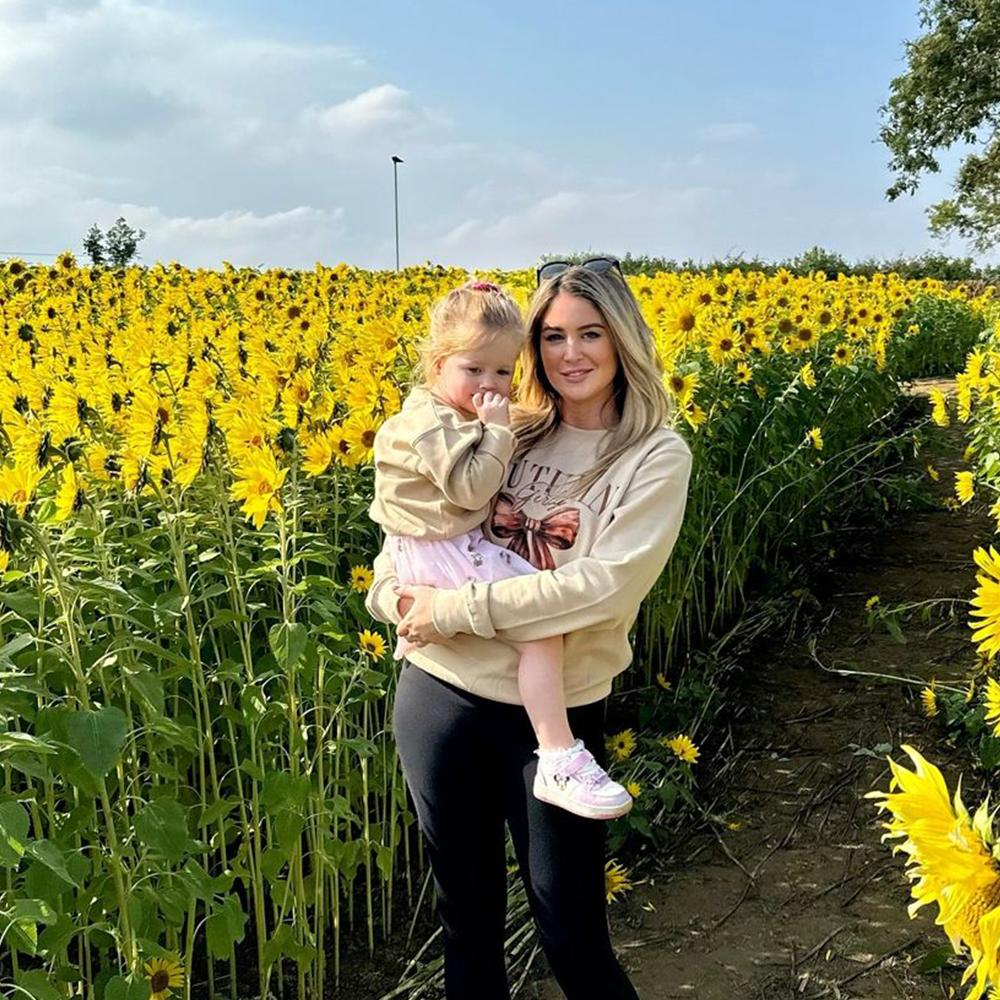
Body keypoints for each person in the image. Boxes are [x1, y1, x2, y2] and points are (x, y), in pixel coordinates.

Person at [366, 257, 693, 1000]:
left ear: (625, 341)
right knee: (467, 924)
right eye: (552, 336)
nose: (570, 354)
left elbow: (602, 589)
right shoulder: (504, 425)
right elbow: (411, 529)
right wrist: (390, 599)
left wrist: (449, 611)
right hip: (441, 693)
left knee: (571, 931)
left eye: (590, 333)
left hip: (554, 722)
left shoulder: (653, 455)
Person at [368, 278, 632, 820]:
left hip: (448, 567)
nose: (491, 385)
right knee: (541, 625)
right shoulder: (450, 425)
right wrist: (498, 432)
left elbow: (607, 586)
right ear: (439, 361)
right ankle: (559, 751)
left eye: (504, 372)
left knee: (544, 622)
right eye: (474, 370)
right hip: (443, 671)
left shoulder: (652, 454)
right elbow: (470, 491)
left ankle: (558, 750)